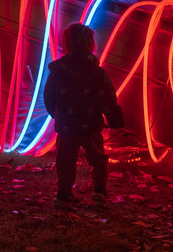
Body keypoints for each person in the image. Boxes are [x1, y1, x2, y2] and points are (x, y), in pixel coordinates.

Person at [42, 23, 123, 205]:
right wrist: (114, 118)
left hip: (67, 124)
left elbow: (49, 94)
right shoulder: (97, 72)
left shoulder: (59, 71)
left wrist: (55, 113)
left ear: (67, 44)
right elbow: (107, 96)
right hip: (90, 124)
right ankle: (99, 191)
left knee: (65, 159)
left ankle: (64, 193)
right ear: (91, 44)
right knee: (98, 158)